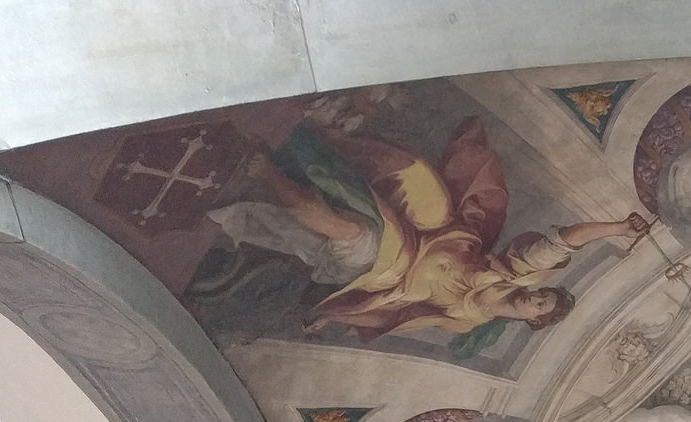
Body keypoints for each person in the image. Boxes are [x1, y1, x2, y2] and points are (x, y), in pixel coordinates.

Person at [211, 114, 651, 343]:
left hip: (396, 268)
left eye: (540, 304)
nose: (536, 297)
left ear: (534, 319)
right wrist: (615, 227)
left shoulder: (463, 321)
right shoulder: (513, 275)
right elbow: (563, 242)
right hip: (441, 232)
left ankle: (268, 172)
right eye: (544, 293)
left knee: (356, 235)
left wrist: (336, 314)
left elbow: (399, 317)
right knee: (415, 173)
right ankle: (314, 143)